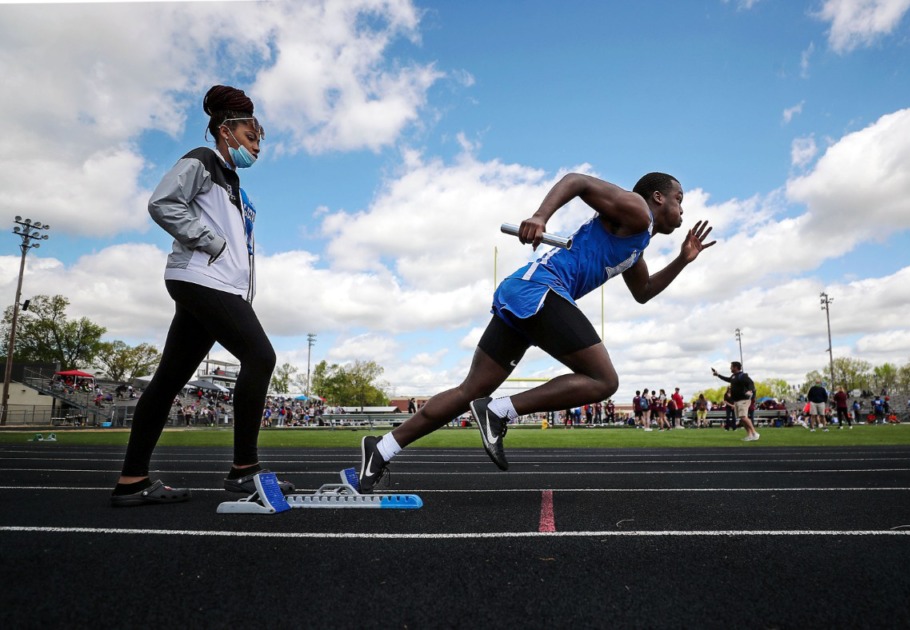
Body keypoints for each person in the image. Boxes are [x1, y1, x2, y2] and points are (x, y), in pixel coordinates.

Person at [357, 172, 715, 492]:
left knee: (471, 391)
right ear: (657, 198)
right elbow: (578, 181)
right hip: (540, 289)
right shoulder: (637, 210)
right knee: (604, 380)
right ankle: (499, 412)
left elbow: (644, 292)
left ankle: (382, 448)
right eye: (679, 199)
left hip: (526, 296)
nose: (682, 209)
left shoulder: (637, 246)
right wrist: (541, 216)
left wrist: (683, 260)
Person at [111, 85, 290, 507]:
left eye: (259, 140)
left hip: (217, 284)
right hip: (202, 278)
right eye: (251, 137)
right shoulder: (203, 159)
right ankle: (244, 470)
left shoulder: (234, 182)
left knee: (168, 381)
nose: (257, 147)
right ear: (226, 131)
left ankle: (132, 481)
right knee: (260, 357)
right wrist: (212, 243)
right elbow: (163, 202)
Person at [710, 362, 759, 441]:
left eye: (731, 367)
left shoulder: (742, 375)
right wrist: (718, 375)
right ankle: (749, 435)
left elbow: (751, 383)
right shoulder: (733, 376)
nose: (730, 368)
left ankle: (754, 433)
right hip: (736, 401)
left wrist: (750, 390)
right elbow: (727, 379)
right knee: (742, 418)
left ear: (736, 367)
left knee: (743, 417)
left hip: (744, 400)